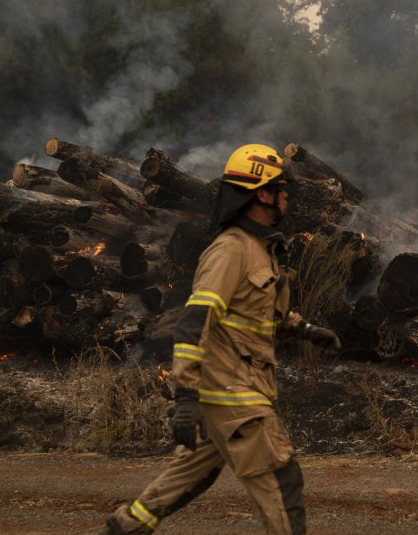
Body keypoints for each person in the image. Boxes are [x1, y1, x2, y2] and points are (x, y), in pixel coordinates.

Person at [105, 143, 341, 534]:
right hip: (233, 392)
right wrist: (184, 397)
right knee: (282, 480)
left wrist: (304, 330)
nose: (287, 196)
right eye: (281, 188)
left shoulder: (260, 250)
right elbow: (193, 322)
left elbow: (258, 314)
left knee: (190, 479)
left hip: (230, 392)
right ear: (261, 193)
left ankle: (124, 528)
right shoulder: (231, 250)